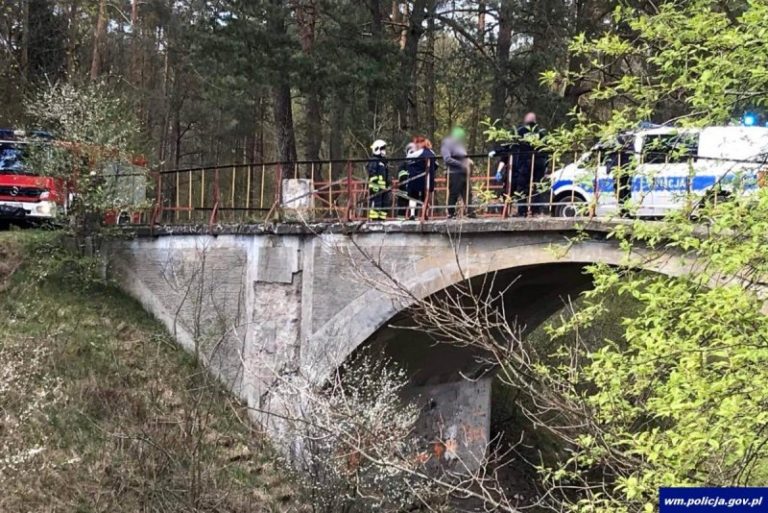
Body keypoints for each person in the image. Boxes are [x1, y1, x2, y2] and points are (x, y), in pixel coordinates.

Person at [513, 113, 549, 216]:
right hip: (539, 163)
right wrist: (546, 165)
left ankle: (522, 211)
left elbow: (514, 146)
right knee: (537, 187)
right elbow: (546, 149)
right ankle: (536, 210)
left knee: (522, 187)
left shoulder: (520, 131)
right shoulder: (541, 132)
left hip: (525, 163)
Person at [441, 126, 475, 218]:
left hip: (464, 173)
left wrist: (469, 161)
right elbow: (447, 159)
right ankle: (451, 213)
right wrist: (461, 164)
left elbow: (464, 157)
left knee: (468, 193)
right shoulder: (447, 144)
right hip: (454, 172)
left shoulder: (460, 146)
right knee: (454, 192)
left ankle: (470, 212)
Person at [405, 136, 437, 220]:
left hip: (417, 177)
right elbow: (436, 165)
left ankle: (412, 214)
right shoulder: (432, 153)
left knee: (413, 195)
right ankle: (425, 214)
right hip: (429, 178)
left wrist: (409, 152)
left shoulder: (419, 152)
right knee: (425, 196)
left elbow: (408, 159)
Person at [366, 139, 390, 220]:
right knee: (377, 204)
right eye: (383, 148)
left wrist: (388, 184)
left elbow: (386, 175)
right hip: (376, 187)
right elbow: (372, 173)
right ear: (377, 149)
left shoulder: (383, 161)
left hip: (383, 188)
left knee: (385, 204)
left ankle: (382, 219)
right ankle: (374, 220)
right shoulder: (374, 160)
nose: (384, 151)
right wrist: (375, 184)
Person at [396, 142, 416, 219]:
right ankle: (400, 220)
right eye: (411, 151)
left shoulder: (416, 163)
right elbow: (401, 175)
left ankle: (413, 216)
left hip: (413, 188)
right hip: (403, 189)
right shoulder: (403, 163)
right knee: (402, 206)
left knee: (415, 203)